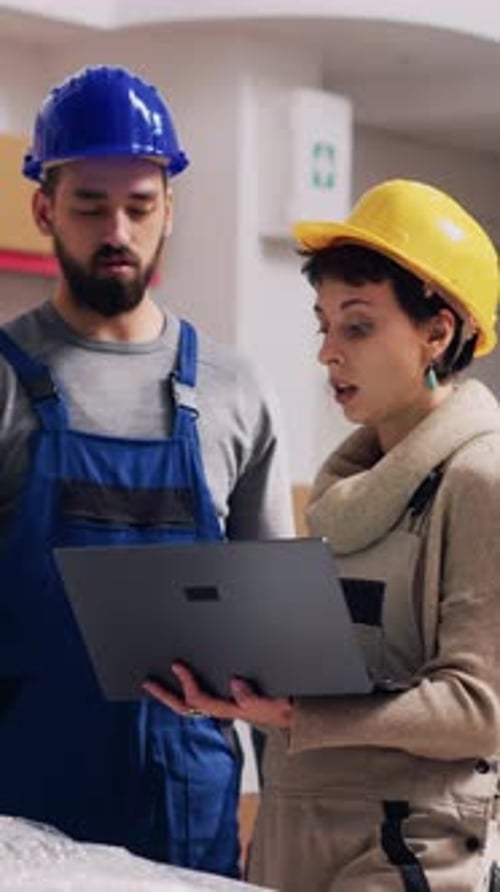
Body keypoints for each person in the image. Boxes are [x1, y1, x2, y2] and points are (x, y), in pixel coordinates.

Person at [147, 179, 500, 890]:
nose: (328, 354)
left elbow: (480, 710)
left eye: (359, 325)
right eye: (325, 325)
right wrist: (231, 678)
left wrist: (302, 712)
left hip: (405, 847)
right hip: (291, 831)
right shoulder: (345, 491)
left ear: (438, 332)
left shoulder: (479, 480)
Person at [0, 65, 294, 878]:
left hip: (187, 796)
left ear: (170, 207)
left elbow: (275, 642)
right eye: (91, 205)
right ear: (44, 208)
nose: (117, 231)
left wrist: (286, 823)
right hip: (22, 802)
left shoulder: (236, 388)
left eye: (138, 206)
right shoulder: (3, 377)